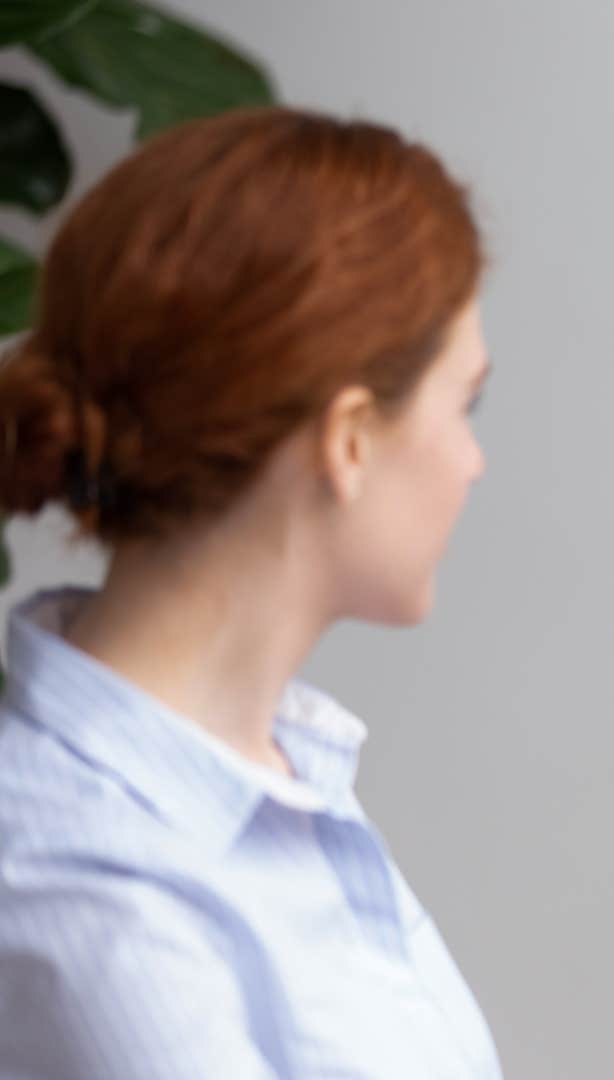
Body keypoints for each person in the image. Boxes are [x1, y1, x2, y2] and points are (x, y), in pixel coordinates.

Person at [0, 108, 500, 1078]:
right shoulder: (84, 888)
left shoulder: (280, 773)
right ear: (349, 439)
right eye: (463, 403)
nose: (475, 461)